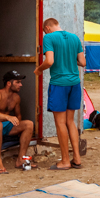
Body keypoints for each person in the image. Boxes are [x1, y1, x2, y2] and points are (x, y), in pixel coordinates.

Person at [35, 17, 86, 170]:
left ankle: (64, 160)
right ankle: (76, 158)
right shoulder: (74, 37)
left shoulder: (49, 38)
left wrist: (39, 69)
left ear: (47, 28)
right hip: (74, 83)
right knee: (70, 121)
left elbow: (49, 61)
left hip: (59, 84)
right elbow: (82, 62)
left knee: (60, 122)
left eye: (45, 31)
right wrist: (70, 59)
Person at [0, 71, 35, 174]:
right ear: (9, 83)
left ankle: (20, 160)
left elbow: (18, 116)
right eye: (18, 82)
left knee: (29, 124)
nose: (21, 85)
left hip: (5, 127)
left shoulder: (16, 98)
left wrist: (17, 124)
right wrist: (7, 117)